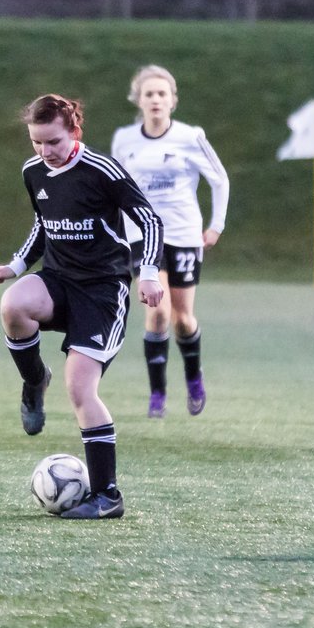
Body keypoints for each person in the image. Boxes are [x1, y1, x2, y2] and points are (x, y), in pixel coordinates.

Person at [0, 94, 164, 519]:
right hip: (59, 279)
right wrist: (15, 266)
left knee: (81, 388)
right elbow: (44, 224)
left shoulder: (102, 171)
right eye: (36, 143)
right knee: (14, 305)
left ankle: (107, 497)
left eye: (53, 142)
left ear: (74, 133)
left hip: (102, 291)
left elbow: (150, 220)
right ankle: (34, 382)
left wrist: (150, 272)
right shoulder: (34, 172)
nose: (45, 152)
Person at [111, 65, 229, 418]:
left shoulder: (190, 137)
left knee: (182, 318)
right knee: (157, 312)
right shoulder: (124, 139)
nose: (156, 100)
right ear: (139, 101)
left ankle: (194, 377)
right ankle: (157, 394)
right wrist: (114, 228)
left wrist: (215, 225)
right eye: (149, 94)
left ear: (173, 101)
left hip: (183, 233)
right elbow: (114, 187)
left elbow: (220, 180)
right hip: (143, 236)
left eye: (162, 94)